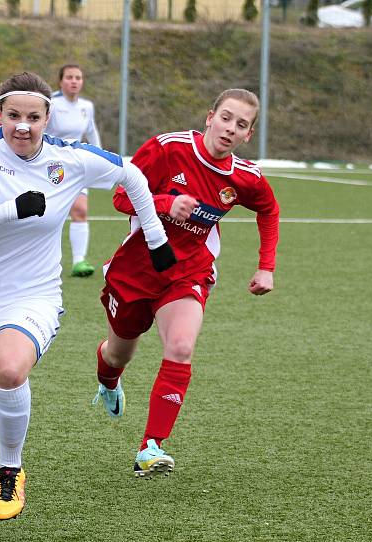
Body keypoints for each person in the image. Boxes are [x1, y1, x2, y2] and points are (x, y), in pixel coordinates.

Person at [0, 72, 176, 522]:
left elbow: (133, 173)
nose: (22, 126)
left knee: (9, 368)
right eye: (13, 115)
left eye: (33, 117)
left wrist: (156, 240)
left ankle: (10, 471)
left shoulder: (71, 158)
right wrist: (11, 210)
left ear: (48, 118)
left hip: (31, 295)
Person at [92, 88, 280, 479]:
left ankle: (150, 446)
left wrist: (266, 267)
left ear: (248, 135)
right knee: (117, 354)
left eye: (241, 125)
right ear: (210, 116)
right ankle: (109, 379)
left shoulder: (245, 178)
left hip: (188, 272)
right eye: (226, 118)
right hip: (135, 271)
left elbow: (269, 210)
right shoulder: (167, 148)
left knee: (180, 346)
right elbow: (121, 198)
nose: (230, 128)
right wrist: (162, 203)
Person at [46, 64, 105, 278]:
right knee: (50, 213)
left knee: (80, 210)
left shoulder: (86, 106)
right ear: (60, 81)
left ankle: (79, 261)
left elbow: (91, 132)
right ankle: (43, 261)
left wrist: (99, 157)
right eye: (69, 77)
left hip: (79, 165)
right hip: (52, 165)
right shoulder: (51, 103)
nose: (74, 81)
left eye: (78, 78)